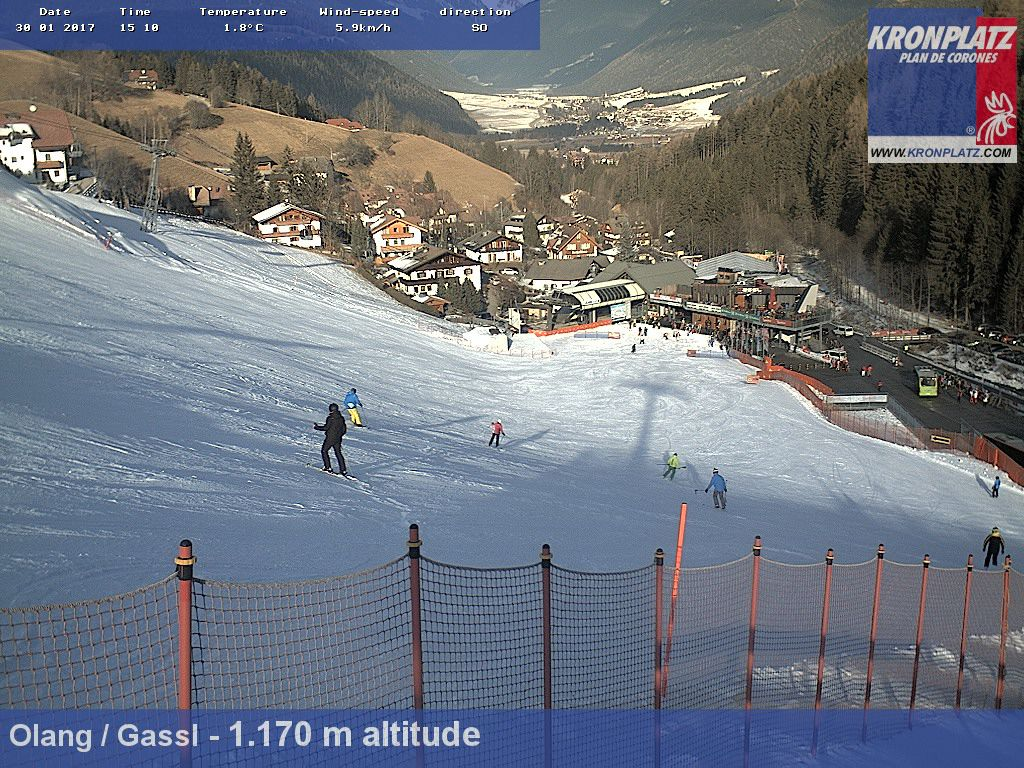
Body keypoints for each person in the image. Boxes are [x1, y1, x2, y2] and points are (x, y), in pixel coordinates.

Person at [314, 403, 347, 475]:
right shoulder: (341, 418)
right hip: (338, 438)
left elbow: (326, 428)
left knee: (324, 451)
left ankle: (327, 467)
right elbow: (344, 429)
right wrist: (339, 435)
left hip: (330, 438)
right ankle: (343, 469)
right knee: (338, 453)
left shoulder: (330, 418)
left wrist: (317, 427)